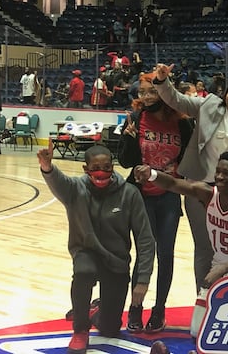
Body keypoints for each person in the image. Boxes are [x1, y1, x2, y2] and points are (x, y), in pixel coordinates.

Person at [151, 62, 228, 293]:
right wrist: (162, 81)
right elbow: (177, 100)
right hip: (201, 187)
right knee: (204, 247)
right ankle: (203, 295)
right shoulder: (210, 105)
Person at [38, 144, 154, 354]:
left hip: (117, 259)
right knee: (83, 272)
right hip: (86, 251)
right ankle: (80, 329)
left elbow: (145, 239)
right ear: (85, 169)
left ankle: (96, 311)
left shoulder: (130, 193)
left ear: (113, 166)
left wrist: (143, 279)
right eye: (96, 166)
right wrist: (47, 166)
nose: (102, 171)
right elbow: (57, 181)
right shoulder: (75, 189)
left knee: (110, 329)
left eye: (107, 166)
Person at [117, 73, 194, 333]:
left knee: (166, 254)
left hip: (169, 195)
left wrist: (177, 173)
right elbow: (126, 162)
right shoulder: (136, 118)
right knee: (144, 253)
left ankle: (159, 309)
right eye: (142, 92)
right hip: (141, 195)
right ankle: (136, 308)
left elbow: (189, 159)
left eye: (152, 91)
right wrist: (127, 138)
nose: (147, 97)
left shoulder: (182, 124)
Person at [133, 151, 228, 288]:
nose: (220, 177)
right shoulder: (208, 194)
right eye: (217, 171)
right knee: (200, 308)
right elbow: (172, 183)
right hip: (217, 266)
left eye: (226, 173)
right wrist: (152, 174)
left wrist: (224, 268)